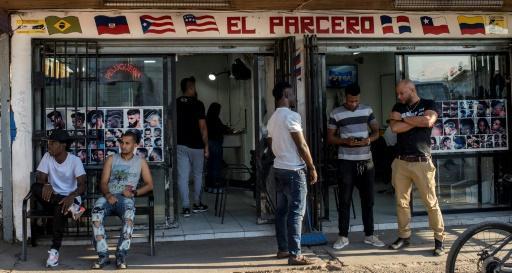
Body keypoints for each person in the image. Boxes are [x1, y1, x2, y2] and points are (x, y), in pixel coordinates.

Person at [388, 80, 445, 256]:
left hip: (422, 161)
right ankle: (404, 236)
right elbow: (394, 127)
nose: (399, 96)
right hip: (401, 162)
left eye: (402, 93)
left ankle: (439, 239)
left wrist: (405, 118)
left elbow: (428, 121)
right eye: (398, 93)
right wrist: (416, 121)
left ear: (411, 90)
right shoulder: (398, 105)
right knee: (401, 202)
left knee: (431, 202)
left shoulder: (429, 103)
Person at [326, 84, 384, 250]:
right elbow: (330, 138)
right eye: (351, 101)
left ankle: (369, 235)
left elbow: (376, 131)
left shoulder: (367, 110)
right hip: (345, 161)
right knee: (344, 200)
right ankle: (343, 236)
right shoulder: (336, 113)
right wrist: (345, 141)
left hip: (366, 161)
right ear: (345, 98)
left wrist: (369, 140)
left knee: (368, 201)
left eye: (356, 101)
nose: (353, 104)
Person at [267, 82, 318, 266]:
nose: (295, 97)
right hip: (294, 170)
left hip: (279, 168)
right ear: (286, 94)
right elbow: (302, 144)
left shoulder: (272, 118)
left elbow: (271, 143)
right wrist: (311, 167)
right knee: (296, 212)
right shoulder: (292, 116)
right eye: (292, 94)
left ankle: (283, 249)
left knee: (281, 212)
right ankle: (295, 254)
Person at [91, 131, 154, 269]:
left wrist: (134, 192)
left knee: (129, 217)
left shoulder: (140, 162)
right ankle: (103, 255)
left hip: (126, 199)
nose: (123, 146)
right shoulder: (111, 159)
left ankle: (121, 255)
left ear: (135, 145)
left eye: (127, 143)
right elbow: (103, 182)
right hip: (109, 196)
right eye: (121, 143)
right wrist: (108, 195)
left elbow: (150, 185)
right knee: (96, 213)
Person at [33, 130, 86, 267]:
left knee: (59, 208)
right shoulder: (47, 157)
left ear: (63, 145)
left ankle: (55, 250)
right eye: (49, 143)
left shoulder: (75, 161)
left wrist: (72, 196)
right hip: (52, 198)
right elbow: (40, 178)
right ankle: (72, 208)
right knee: (35, 187)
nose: (49, 146)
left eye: (52, 143)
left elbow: (82, 185)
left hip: (71, 198)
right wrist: (47, 184)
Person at [176, 76, 209, 217]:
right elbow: (203, 127)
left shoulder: (175, 103)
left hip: (181, 145)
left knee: (182, 176)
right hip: (197, 146)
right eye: (194, 87)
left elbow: (170, 125)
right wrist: (206, 146)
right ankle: (197, 203)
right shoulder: (198, 104)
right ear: (190, 87)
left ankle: (185, 207)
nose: (195, 89)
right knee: (198, 175)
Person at [205, 102, 232, 193]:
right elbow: (222, 128)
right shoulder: (216, 119)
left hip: (208, 144)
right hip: (216, 143)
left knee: (210, 165)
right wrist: (228, 129)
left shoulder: (207, 118)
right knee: (216, 165)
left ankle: (209, 186)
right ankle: (216, 187)